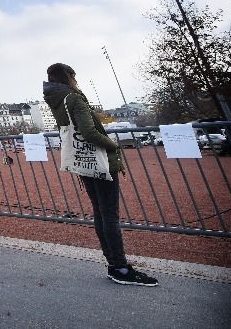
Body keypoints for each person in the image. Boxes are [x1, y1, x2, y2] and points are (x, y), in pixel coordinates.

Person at [44, 63, 158, 287]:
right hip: (99, 160)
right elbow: (88, 131)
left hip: (82, 160)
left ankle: (113, 263)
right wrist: (112, 145)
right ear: (69, 77)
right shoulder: (74, 98)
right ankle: (120, 267)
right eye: (74, 76)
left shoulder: (55, 100)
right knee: (109, 214)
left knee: (100, 212)